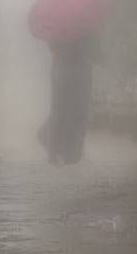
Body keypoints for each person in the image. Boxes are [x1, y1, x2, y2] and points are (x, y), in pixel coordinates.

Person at [40, 27, 99, 164]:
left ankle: (53, 151)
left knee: (58, 110)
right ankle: (70, 151)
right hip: (80, 73)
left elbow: (52, 46)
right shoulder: (89, 27)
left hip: (59, 70)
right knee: (77, 111)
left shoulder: (57, 26)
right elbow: (96, 55)